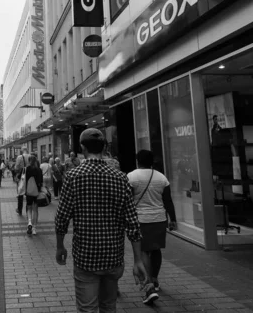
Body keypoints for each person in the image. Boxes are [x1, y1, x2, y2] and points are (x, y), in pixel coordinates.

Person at [55, 128, 147, 313]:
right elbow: (132, 222)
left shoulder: (73, 177)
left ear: (82, 148)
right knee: (108, 307)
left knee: (87, 309)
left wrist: (60, 246)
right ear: (104, 148)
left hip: (86, 257)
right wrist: (138, 260)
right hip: (113, 257)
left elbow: (62, 217)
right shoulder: (120, 178)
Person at [128, 149, 177, 304]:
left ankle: (149, 285)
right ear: (152, 161)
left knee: (142, 250)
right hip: (159, 218)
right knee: (155, 249)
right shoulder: (162, 177)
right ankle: (155, 279)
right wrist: (173, 219)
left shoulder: (131, 176)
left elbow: (128, 201)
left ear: (138, 161)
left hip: (140, 219)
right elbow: (168, 200)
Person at [25, 155, 42, 236]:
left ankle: (29, 222)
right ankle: (34, 228)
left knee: (29, 208)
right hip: (36, 192)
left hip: (28, 191)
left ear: (29, 161)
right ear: (36, 161)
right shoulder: (39, 170)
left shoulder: (27, 169)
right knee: (35, 209)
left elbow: (24, 180)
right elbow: (41, 182)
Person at [15, 146, 30, 216]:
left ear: (22, 151)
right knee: (28, 194)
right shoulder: (31, 156)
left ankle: (19, 209)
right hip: (29, 177)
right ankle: (28, 210)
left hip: (22, 177)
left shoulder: (20, 157)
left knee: (20, 193)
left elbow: (16, 167)